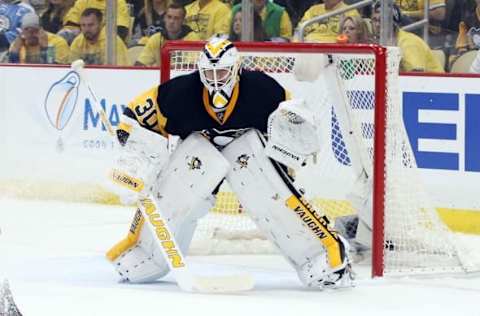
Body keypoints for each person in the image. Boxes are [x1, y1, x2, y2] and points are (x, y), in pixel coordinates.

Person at [106, 37, 354, 289]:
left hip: (249, 153)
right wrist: (136, 163)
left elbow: (290, 125)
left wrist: (287, 160)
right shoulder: (180, 93)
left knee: (270, 199)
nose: (215, 79)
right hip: (197, 152)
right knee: (178, 199)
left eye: (221, 71)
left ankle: (321, 255)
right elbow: (133, 118)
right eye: (209, 73)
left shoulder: (262, 90)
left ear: (236, 69)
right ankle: (147, 256)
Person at [371, 2, 444, 72]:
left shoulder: (408, 43)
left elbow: (416, 76)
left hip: (434, 84)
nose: (377, 25)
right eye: (374, 20)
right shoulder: (381, 43)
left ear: (393, 23)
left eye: (381, 20)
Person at [135, 3, 200, 66]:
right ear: (164, 18)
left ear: (183, 21)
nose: (171, 21)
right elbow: (140, 63)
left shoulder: (193, 39)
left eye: (176, 18)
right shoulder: (156, 38)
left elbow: (192, 67)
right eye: (169, 17)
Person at [58, 0, 131, 44]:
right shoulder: (82, 1)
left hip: (107, 44)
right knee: (63, 36)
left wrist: (97, 38)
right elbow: (70, 25)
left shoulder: (118, 2)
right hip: (83, 42)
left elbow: (121, 29)